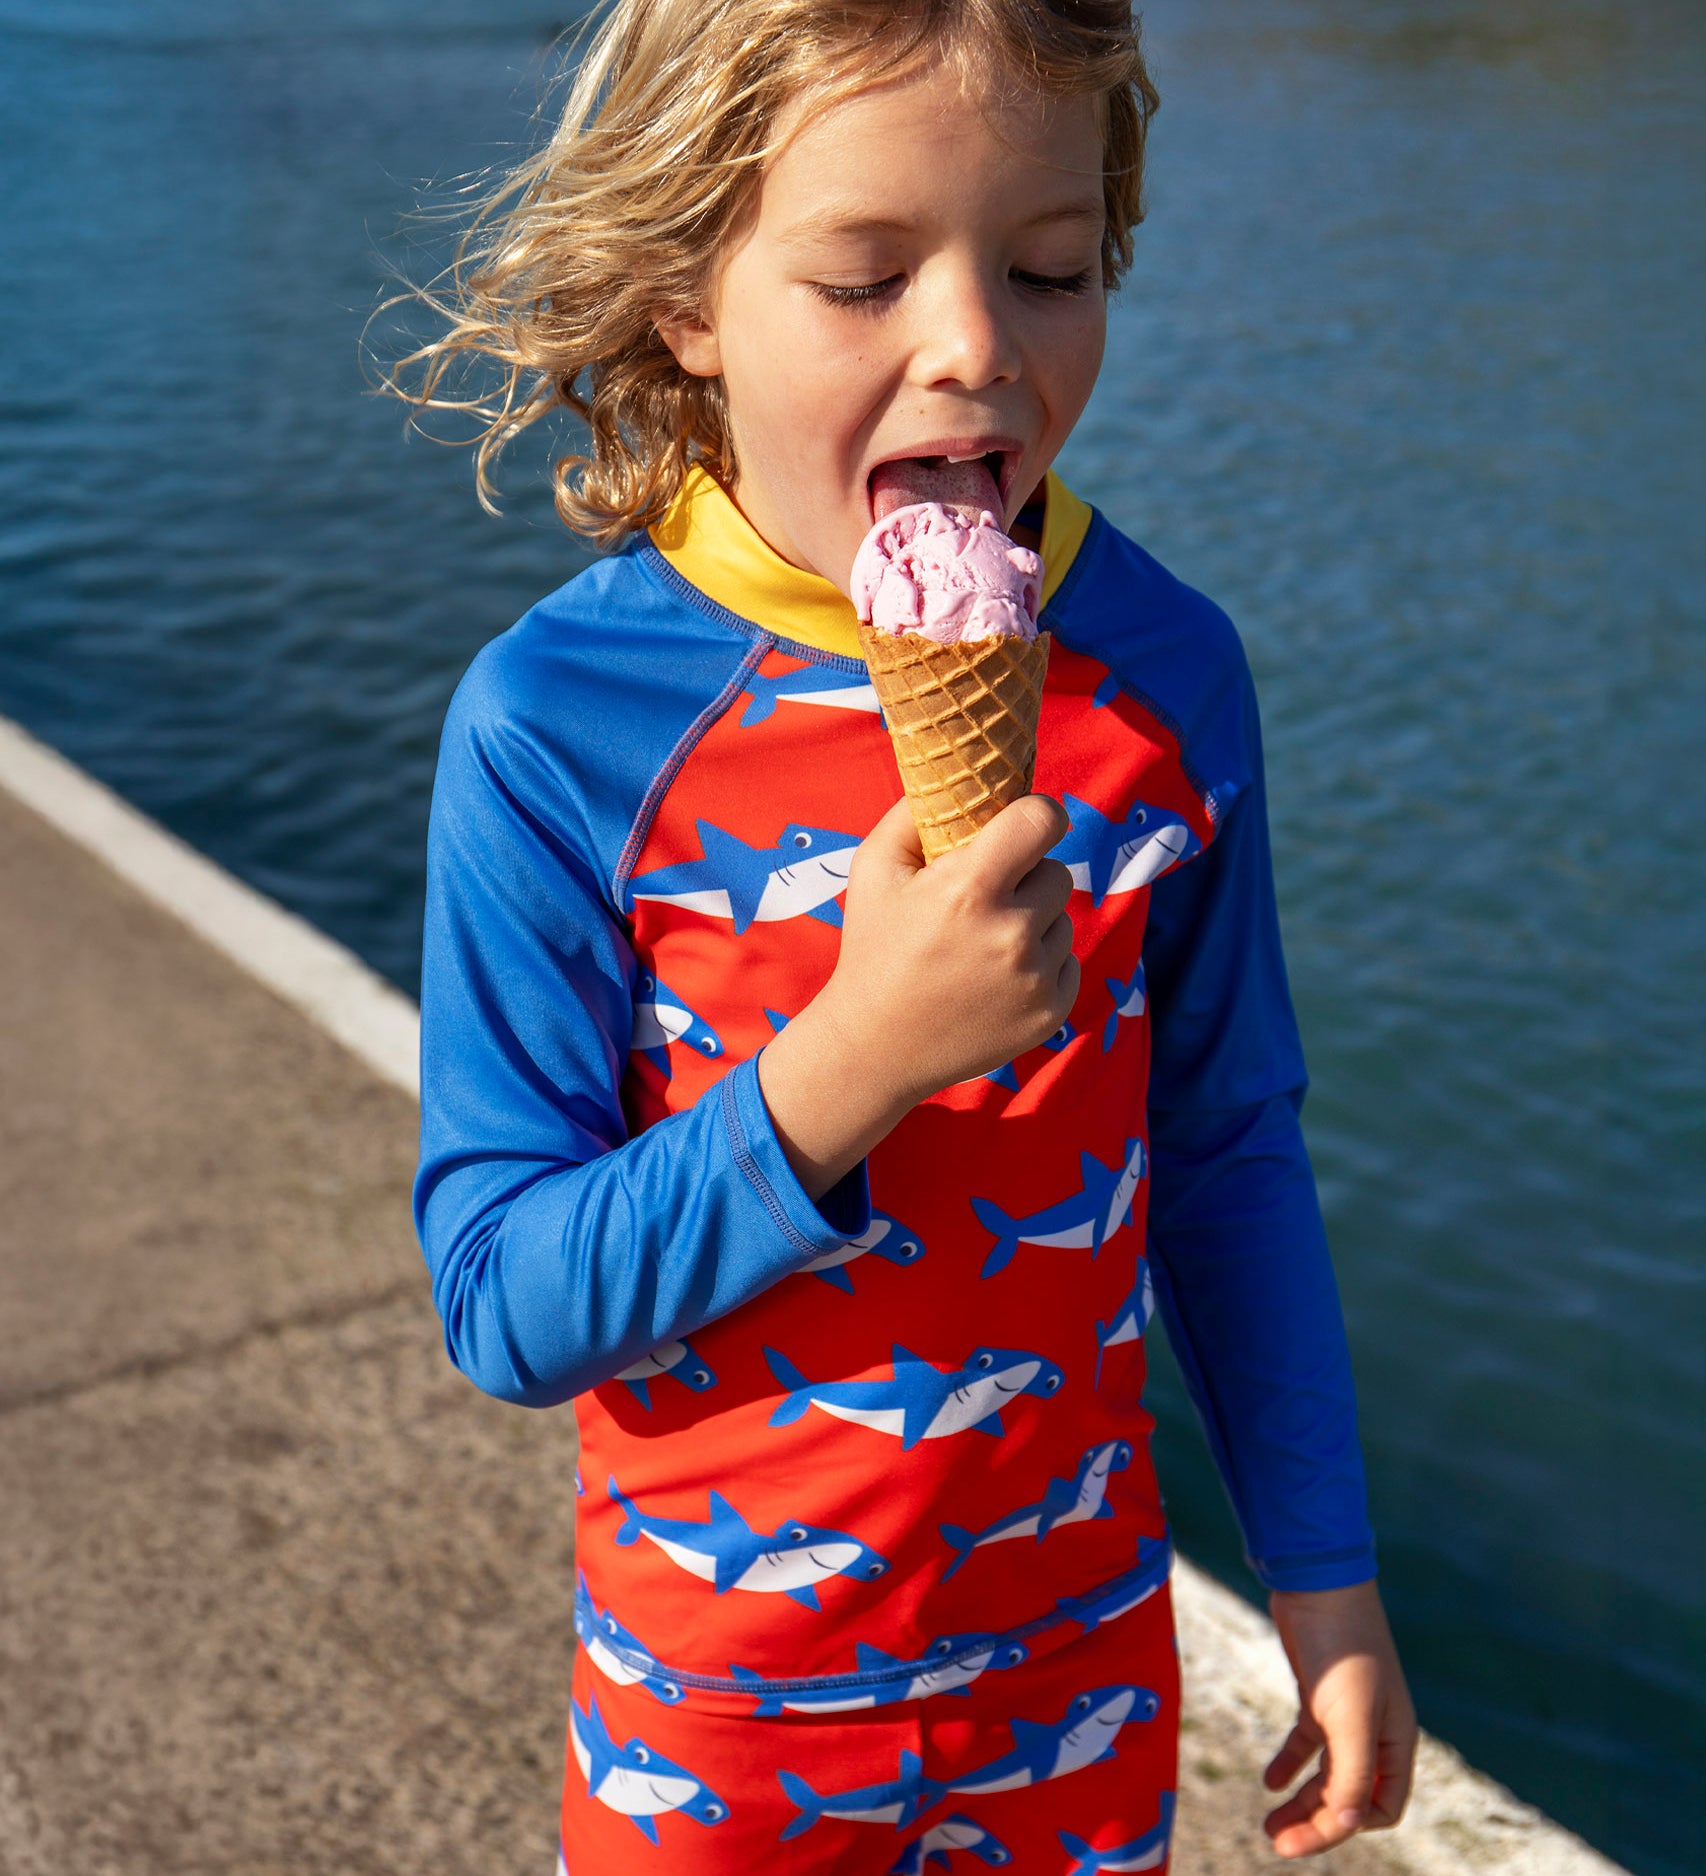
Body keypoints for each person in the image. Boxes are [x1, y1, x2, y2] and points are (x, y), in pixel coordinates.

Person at [395, 1, 1417, 1869]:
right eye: (863, 278)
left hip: (1076, 1668)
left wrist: (1325, 1576)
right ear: (683, 298)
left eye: (1047, 268)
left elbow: (1223, 1152)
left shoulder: (1168, 675)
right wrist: (850, 1065)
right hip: (718, 1720)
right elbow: (501, 1296)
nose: (974, 346)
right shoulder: (558, 726)